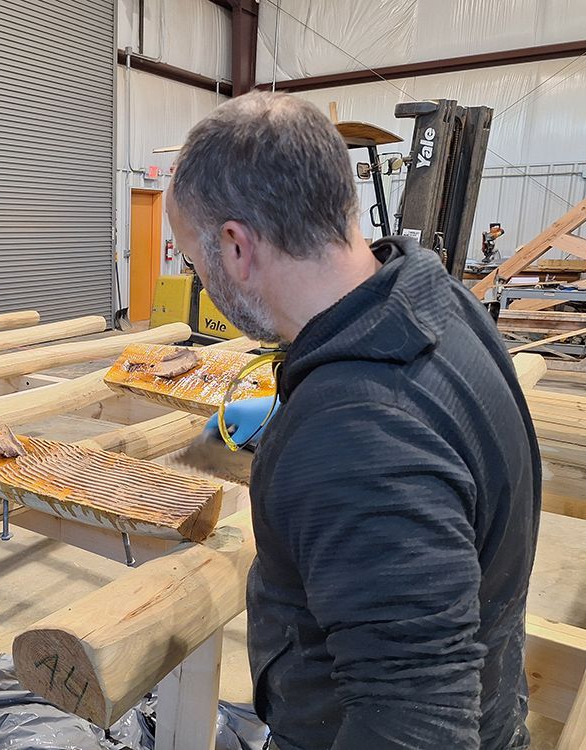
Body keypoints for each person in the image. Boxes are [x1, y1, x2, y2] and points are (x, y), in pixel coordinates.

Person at [169, 91, 540, 749]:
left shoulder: (355, 435)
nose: (202, 281)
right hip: (496, 697)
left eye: (193, 264)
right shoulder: (432, 296)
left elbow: (417, 727)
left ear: (235, 246)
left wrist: (322, 441)